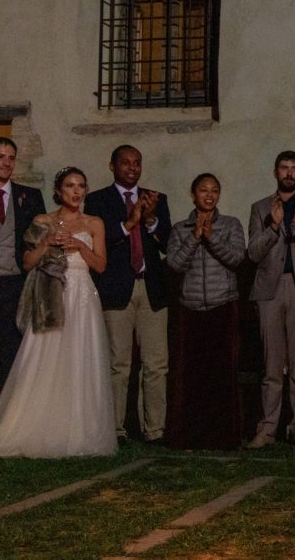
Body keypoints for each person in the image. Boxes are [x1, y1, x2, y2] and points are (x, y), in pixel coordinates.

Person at [0, 167, 115, 457]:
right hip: (50, 295)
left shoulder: (94, 223)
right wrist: (47, 243)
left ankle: (78, 429)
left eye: (81, 186)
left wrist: (78, 244)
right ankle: (37, 426)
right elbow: (27, 262)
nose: (76, 191)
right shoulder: (43, 220)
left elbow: (101, 265)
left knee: (80, 359)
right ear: (59, 191)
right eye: (69, 186)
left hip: (82, 294)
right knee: (44, 359)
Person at [85, 145, 171, 444]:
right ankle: (116, 429)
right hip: (117, 288)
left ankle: (155, 429)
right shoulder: (97, 200)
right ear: (112, 166)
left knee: (156, 363)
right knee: (118, 364)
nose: (132, 168)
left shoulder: (156, 199)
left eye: (137, 163)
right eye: (126, 163)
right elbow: (100, 240)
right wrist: (129, 223)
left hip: (151, 288)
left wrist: (149, 220)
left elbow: (167, 243)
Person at [246, 151, 295, 450]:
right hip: (269, 289)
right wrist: (274, 226)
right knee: (271, 364)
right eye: (284, 168)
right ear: (275, 172)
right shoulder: (260, 208)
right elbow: (253, 252)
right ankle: (267, 428)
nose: (289, 173)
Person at [165, 173, 245, 450]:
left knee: (221, 374)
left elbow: (236, 259)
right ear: (193, 194)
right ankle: (190, 436)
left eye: (214, 191)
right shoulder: (179, 228)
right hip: (191, 308)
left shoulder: (231, 225)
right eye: (203, 190)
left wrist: (211, 238)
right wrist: (194, 237)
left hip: (223, 306)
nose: (209, 195)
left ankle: (223, 437)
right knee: (191, 376)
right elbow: (174, 265)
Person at [0, 137, 46, 441]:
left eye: (11, 158)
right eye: (0, 157)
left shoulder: (29, 196)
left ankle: (2, 424)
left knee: (11, 356)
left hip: (15, 285)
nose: (6, 163)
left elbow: (39, 239)